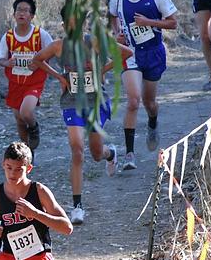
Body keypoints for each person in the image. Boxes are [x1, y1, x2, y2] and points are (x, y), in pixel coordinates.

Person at [32, 31, 134, 225]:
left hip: (96, 102)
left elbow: (126, 52)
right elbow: (37, 60)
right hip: (72, 102)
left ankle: (109, 154)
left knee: (96, 153)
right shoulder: (59, 46)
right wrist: (60, 78)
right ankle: (77, 207)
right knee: (77, 151)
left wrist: (102, 70)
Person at [109, 0, 178, 169]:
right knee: (132, 101)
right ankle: (129, 154)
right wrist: (117, 32)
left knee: (149, 102)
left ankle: (153, 122)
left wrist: (148, 22)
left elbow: (173, 23)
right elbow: (112, 16)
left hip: (153, 53)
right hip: (129, 53)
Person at [0, 0, 55, 162]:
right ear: (14, 14)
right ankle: (27, 154)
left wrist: (40, 61)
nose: (22, 13)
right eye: (19, 10)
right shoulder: (8, 37)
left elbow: (53, 50)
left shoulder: (40, 34)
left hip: (34, 82)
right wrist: (8, 62)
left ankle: (34, 128)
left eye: (26, 10)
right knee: (20, 121)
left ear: (32, 15)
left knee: (26, 112)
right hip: (15, 83)